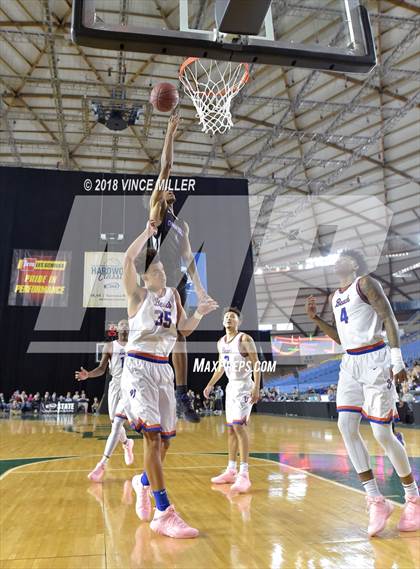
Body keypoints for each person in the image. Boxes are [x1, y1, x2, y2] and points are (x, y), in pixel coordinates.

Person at [305, 249, 419, 537]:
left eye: (343, 256)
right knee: (346, 426)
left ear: (354, 264)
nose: (336, 260)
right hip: (350, 362)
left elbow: (389, 319)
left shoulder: (365, 283)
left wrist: (397, 360)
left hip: (376, 359)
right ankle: (376, 500)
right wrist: (317, 320)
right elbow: (342, 338)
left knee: (382, 434)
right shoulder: (335, 295)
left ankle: (413, 498)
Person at [121, 220, 218, 538]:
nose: (161, 274)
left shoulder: (173, 295)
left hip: (163, 369)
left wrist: (200, 311)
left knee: (164, 443)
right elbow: (126, 259)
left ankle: (142, 483)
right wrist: (147, 233)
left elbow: (183, 331)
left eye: (163, 270)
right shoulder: (136, 296)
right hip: (137, 368)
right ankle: (164, 512)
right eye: (156, 271)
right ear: (145, 276)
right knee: (151, 438)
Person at [148, 112, 215, 423]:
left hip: (175, 281)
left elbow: (190, 260)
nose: (168, 189)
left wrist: (201, 291)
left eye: (170, 189)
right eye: (164, 187)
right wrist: (169, 133)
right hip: (155, 276)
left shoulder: (182, 225)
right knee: (154, 333)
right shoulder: (157, 209)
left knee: (179, 335)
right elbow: (167, 167)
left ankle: (181, 393)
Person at [203, 307, 261, 494]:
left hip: (244, 386)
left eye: (232, 317)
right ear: (223, 322)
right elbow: (220, 366)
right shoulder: (221, 342)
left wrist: (256, 387)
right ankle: (231, 470)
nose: (229, 318)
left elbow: (256, 364)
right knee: (230, 430)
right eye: (226, 317)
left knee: (239, 427)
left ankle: (244, 475)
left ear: (238, 322)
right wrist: (210, 384)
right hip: (231, 387)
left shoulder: (244, 339)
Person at [75, 320, 134, 482]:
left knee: (116, 425)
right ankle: (127, 443)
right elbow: (101, 369)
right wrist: (89, 375)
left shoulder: (136, 344)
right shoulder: (109, 346)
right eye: (122, 324)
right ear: (116, 329)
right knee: (114, 421)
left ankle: (102, 463)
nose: (124, 326)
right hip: (115, 385)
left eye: (127, 324)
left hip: (131, 386)